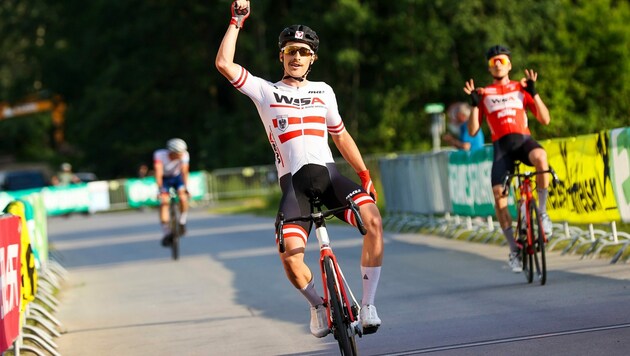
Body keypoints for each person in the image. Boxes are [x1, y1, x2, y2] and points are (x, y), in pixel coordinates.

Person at [215, 0, 383, 338]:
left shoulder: (324, 91)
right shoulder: (266, 91)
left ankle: (367, 305)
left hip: (330, 177)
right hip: (295, 188)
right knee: (290, 257)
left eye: (303, 52)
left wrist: (364, 174)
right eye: (291, 50)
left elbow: (341, 135)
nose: (296, 57)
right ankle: (319, 306)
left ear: (312, 58)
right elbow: (223, 63)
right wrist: (237, 20)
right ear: (281, 56)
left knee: (374, 221)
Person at [464, 45, 553, 273]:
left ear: (510, 65)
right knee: (499, 197)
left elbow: (545, 119)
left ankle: (541, 213)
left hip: (523, 142)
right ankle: (514, 250)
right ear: (489, 67)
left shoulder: (521, 88)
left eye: (501, 61)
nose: (497, 65)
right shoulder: (485, 94)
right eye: (493, 62)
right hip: (502, 148)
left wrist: (534, 93)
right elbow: (473, 130)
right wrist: (475, 105)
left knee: (542, 158)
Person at [153, 138, 190, 247]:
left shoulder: (185, 155)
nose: (181, 156)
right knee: (164, 202)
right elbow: (158, 172)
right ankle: (167, 232)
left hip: (177, 178)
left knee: (183, 198)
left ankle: (182, 221)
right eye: (178, 154)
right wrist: (160, 189)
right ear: (171, 152)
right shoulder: (159, 155)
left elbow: (184, 171)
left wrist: (186, 187)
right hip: (164, 179)